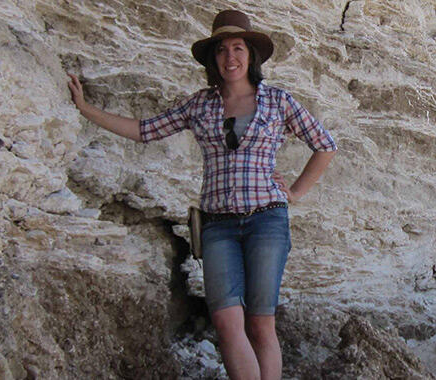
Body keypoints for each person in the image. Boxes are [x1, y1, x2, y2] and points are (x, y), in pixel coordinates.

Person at [66, 10, 336, 380]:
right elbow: (145, 130)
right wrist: (85, 109)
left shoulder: (277, 101)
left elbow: (325, 145)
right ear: (213, 59)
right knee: (226, 323)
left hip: (266, 222)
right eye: (222, 50)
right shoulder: (199, 104)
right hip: (217, 227)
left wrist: (296, 192)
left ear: (250, 56)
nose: (231, 57)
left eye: (238, 48)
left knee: (260, 325)